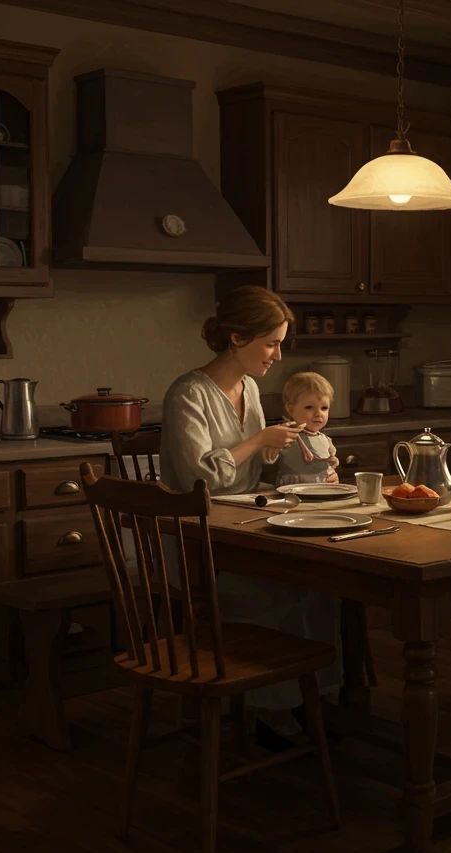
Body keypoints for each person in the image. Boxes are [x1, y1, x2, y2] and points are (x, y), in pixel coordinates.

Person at [159, 285, 341, 750]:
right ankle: (271, 710)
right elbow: (199, 479)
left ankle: (312, 696)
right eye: (270, 343)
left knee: (320, 580)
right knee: (279, 587)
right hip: (195, 539)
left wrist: (312, 460)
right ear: (236, 338)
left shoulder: (251, 387)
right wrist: (259, 440)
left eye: (280, 342)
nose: (277, 355)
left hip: (243, 522)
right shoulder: (187, 394)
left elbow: (263, 467)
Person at [264, 371, 341, 486]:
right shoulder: (285, 435)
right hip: (292, 490)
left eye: (324, 408)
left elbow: (329, 464)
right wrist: (271, 449)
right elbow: (267, 460)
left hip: (321, 488)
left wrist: (332, 471)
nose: (318, 413)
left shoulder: (326, 440)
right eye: (309, 407)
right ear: (290, 409)